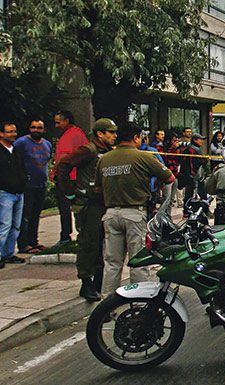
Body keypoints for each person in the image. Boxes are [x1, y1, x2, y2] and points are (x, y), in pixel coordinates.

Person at [96, 123, 174, 296]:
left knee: (112, 263)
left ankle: (107, 306)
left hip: (110, 214)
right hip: (135, 214)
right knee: (138, 262)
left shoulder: (104, 159)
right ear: (136, 137)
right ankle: (139, 303)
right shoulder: (144, 157)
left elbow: (98, 189)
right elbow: (170, 177)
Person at [56, 119, 118, 301]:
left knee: (103, 245)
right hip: (88, 205)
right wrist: (71, 193)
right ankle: (86, 283)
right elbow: (63, 165)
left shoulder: (106, 152)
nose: (114, 136)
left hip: (102, 204)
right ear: (100, 134)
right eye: (111, 132)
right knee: (88, 244)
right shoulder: (88, 150)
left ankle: (98, 282)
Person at [14, 120, 52, 254]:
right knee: (25, 216)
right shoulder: (21, 143)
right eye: (33, 127)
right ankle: (23, 244)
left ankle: (33, 241)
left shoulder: (47, 144)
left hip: (41, 185)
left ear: (44, 130)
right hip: (27, 185)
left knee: (36, 214)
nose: (36, 130)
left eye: (39, 128)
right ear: (29, 128)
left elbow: (47, 160)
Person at [52, 110, 89, 247]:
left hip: (67, 178)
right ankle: (81, 234)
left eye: (58, 122)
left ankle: (65, 237)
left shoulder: (69, 136)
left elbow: (63, 159)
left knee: (65, 208)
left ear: (66, 121)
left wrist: (54, 171)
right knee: (78, 207)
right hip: (76, 177)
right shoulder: (79, 133)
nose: (56, 126)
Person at [0, 123, 27, 268]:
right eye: (9, 132)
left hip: (19, 192)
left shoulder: (16, 150)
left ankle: (8, 253)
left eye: (15, 131)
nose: (13, 134)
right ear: (1, 134)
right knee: (4, 225)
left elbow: (22, 168)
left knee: (15, 226)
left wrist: (24, 180)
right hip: (5, 193)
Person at [178, 133, 207, 216]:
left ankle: (203, 210)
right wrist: (204, 160)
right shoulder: (191, 149)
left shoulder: (196, 149)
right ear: (195, 140)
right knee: (190, 194)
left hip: (197, 175)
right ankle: (187, 211)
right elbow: (191, 163)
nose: (202, 141)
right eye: (200, 139)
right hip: (192, 176)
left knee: (200, 193)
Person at [139, 130, 165, 219]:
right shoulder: (151, 150)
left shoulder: (129, 152)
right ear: (145, 139)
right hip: (150, 186)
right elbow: (162, 168)